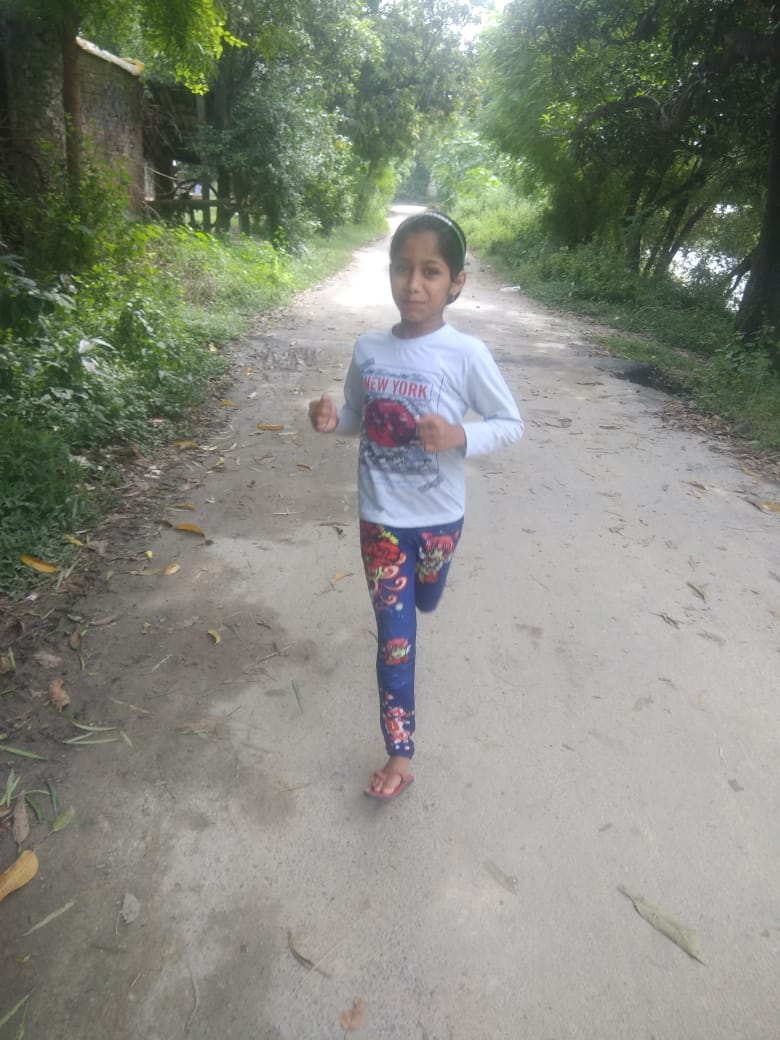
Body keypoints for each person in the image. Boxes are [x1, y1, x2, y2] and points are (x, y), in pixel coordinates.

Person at [309, 210, 523, 799]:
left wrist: (459, 435)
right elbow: (357, 416)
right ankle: (400, 755)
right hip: (381, 524)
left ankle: (428, 589)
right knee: (395, 641)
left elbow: (509, 423)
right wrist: (329, 419)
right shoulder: (369, 350)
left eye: (431, 271)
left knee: (427, 596)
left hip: (440, 524)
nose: (414, 284)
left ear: (456, 282)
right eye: (403, 269)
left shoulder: (466, 354)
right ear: (390, 273)